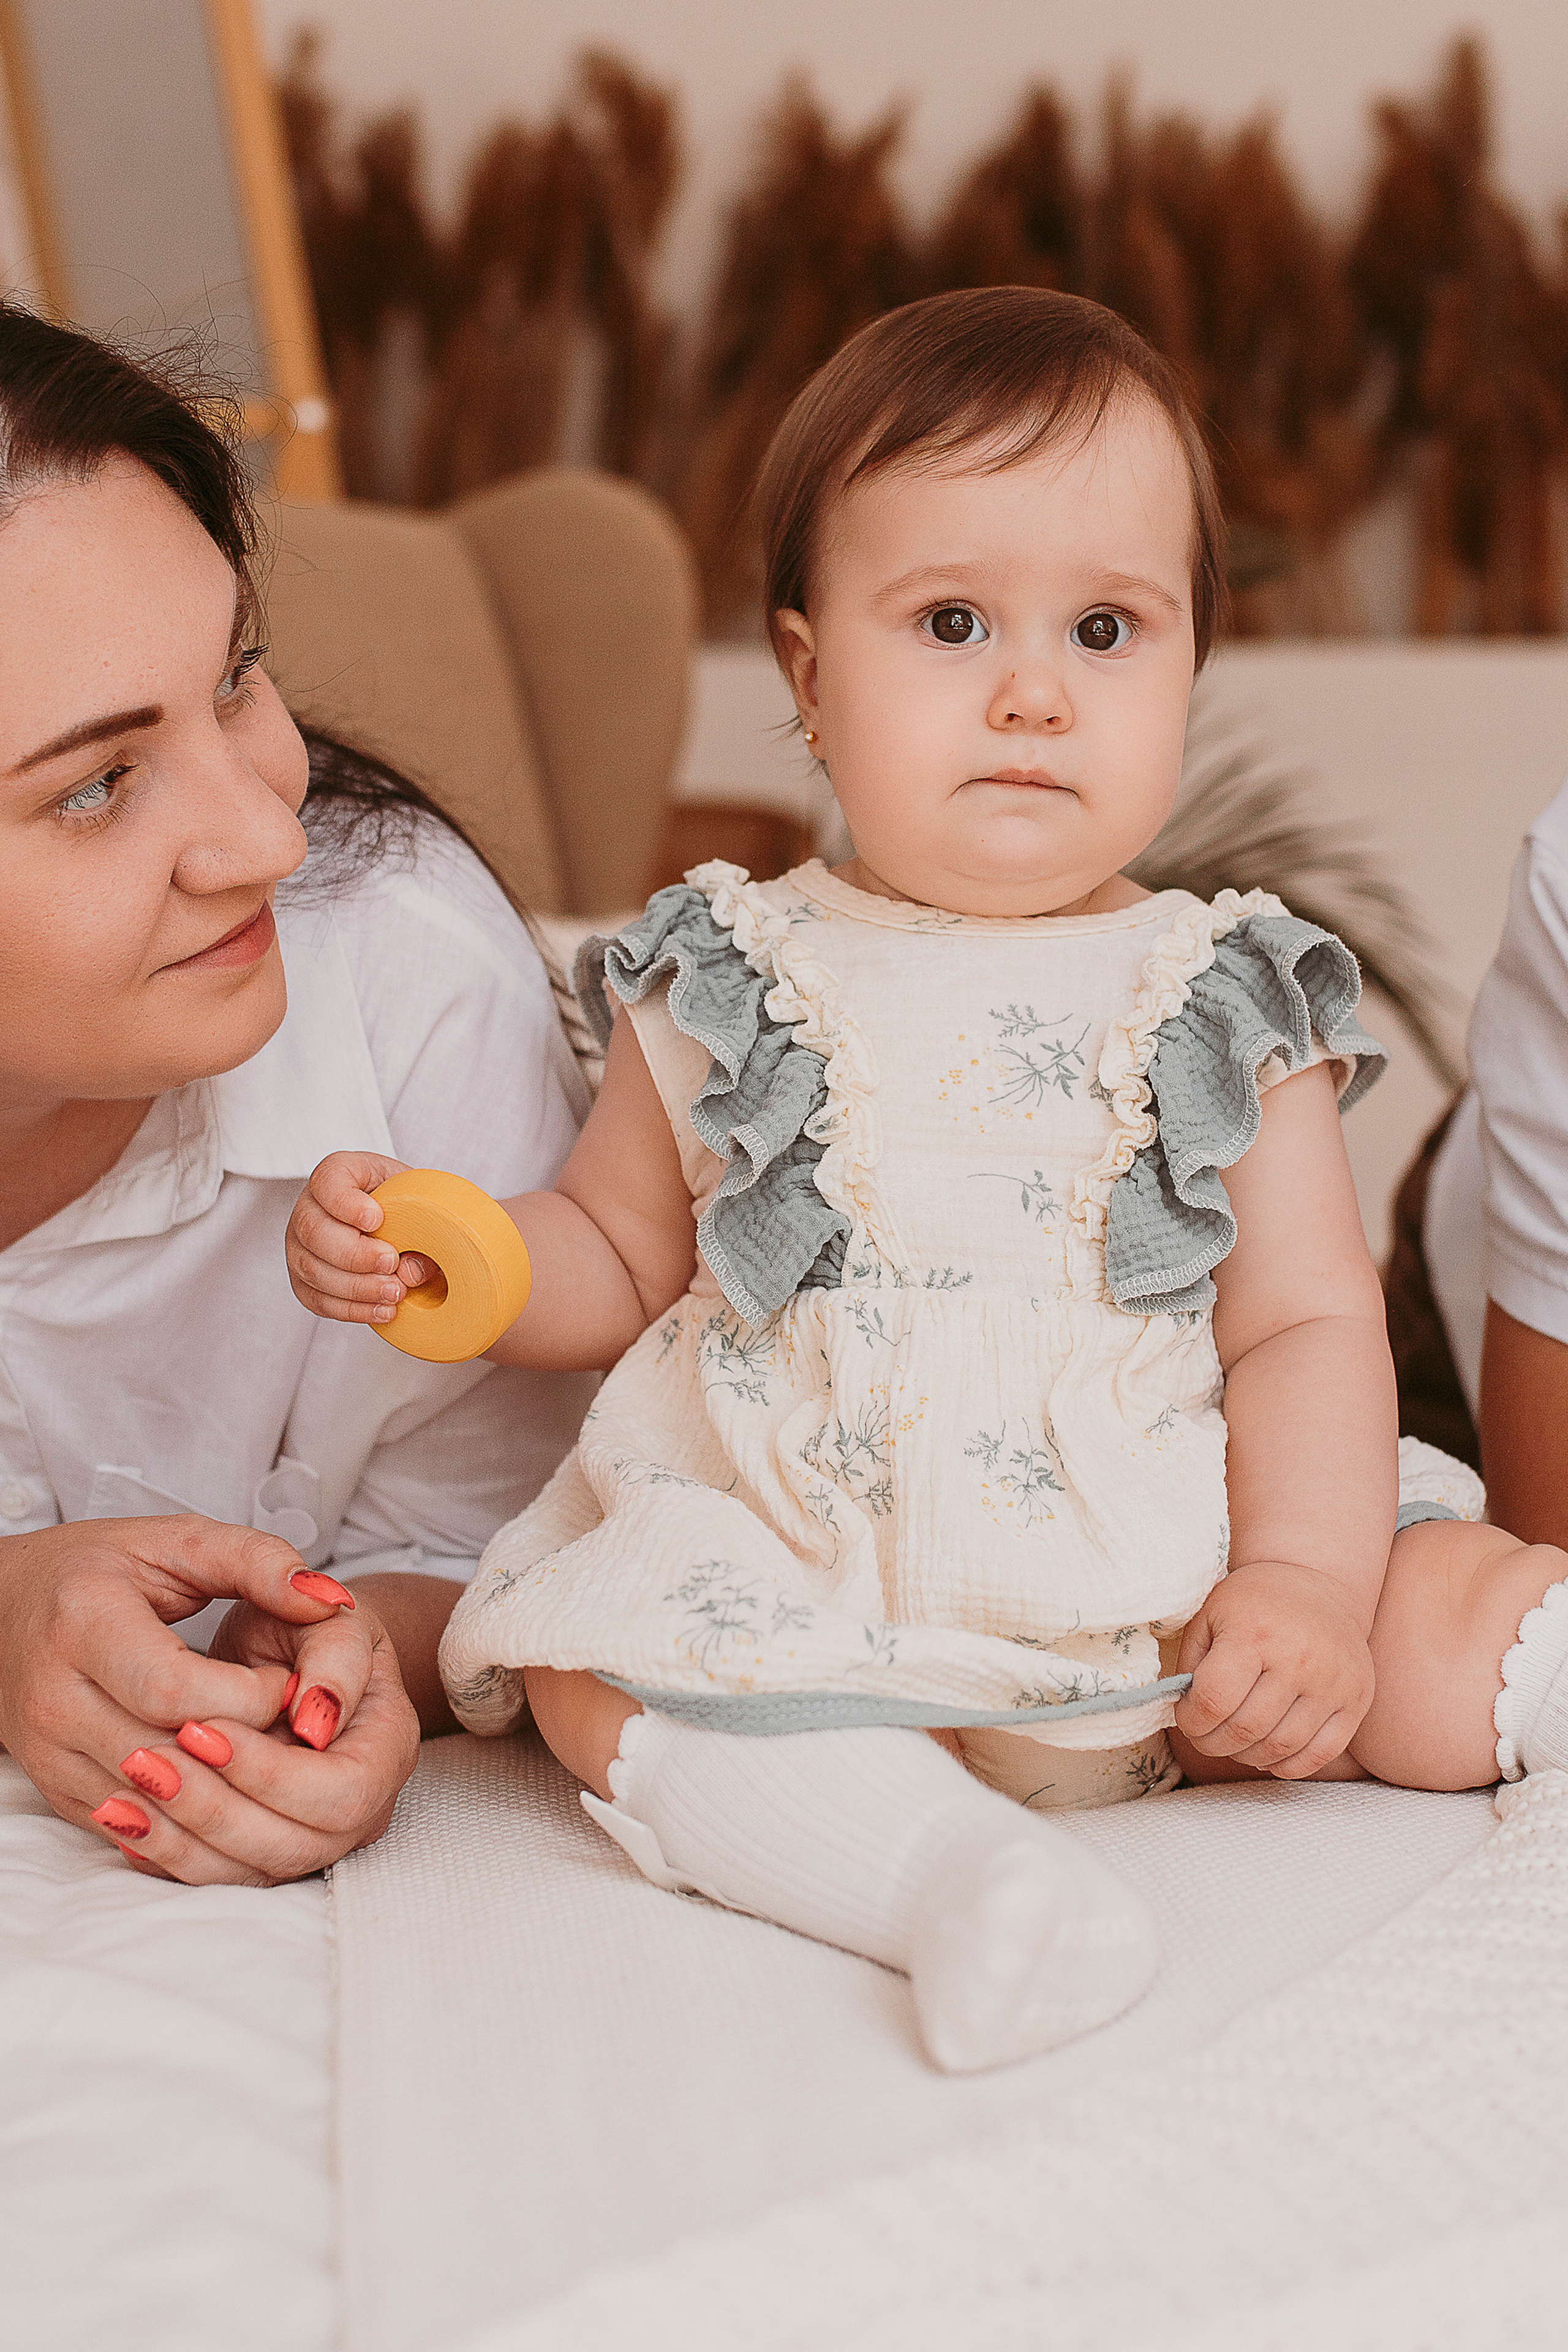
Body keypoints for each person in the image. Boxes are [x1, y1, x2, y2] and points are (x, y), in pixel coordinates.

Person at [288, 287, 1568, 2073]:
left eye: (1110, 629)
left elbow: (1300, 1325)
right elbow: (616, 1245)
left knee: (1464, 1608)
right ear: (810, 677)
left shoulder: (1221, 988)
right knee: (605, 1662)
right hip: (820, 1559)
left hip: (1179, 1582)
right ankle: (944, 1879)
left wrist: (1300, 1581)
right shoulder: (728, 967)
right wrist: (473, 1268)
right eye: (953, 622)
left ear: (1192, 669)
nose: (1034, 690)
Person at [0, 304, 590, 1885]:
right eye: (97, 785)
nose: (271, 840)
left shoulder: (409, 978)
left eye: (239, 676)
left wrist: (365, 1646)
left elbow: (543, 1527)